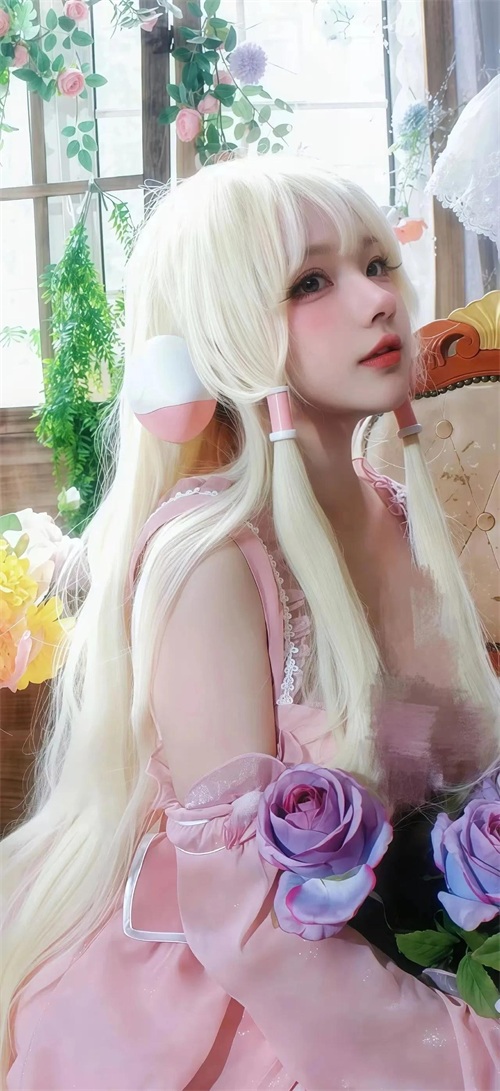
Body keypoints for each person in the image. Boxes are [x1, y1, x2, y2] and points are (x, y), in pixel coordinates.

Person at [2, 153, 499, 1090]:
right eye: (311, 282)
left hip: (415, 951)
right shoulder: (212, 560)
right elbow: (246, 917)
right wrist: (456, 1054)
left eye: (377, 264)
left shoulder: (399, 513)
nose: (376, 300)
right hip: (257, 996)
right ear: (225, 328)